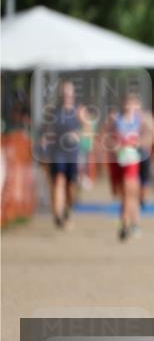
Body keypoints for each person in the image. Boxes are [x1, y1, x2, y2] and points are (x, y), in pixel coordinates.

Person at [106, 92, 154, 241]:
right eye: (127, 102)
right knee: (124, 194)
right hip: (121, 159)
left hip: (137, 159)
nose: (129, 106)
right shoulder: (116, 118)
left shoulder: (142, 118)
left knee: (133, 193)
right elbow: (104, 137)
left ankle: (128, 223)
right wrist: (113, 145)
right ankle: (128, 223)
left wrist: (140, 142)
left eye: (132, 103)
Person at [42, 80, 85, 229]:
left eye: (69, 92)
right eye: (64, 92)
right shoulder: (54, 111)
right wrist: (45, 140)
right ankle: (58, 215)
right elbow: (48, 130)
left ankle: (68, 209)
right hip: (57, 152)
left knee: (71, 186)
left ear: (73, 93)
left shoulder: (79, 110)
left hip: (72, 154)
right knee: (58, 181)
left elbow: (88, 128)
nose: (66, 95)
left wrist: (78, 134)